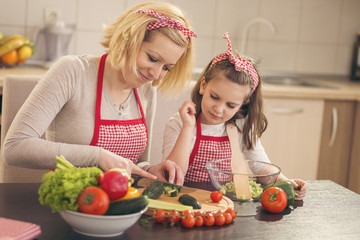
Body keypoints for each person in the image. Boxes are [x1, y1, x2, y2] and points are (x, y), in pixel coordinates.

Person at [3, 1, 197, 185]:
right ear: (129, 39)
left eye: (167, 68)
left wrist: (149, 170)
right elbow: (15, 147)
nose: (156, 74)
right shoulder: (73, 71)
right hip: (70, 204)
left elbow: (134, 164)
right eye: (152, 58)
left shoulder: (146, 88)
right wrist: (97, 156)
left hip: (121, 204)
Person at [162, 32, 307, 199]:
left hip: (225, 203)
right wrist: (188, 127)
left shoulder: (241, 126)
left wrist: (286, 182)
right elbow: (172, 175)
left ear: (243, 104)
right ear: (203, 86)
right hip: (184, 202)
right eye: (214, 97)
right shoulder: (179, 123)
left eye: (231, 105)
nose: (218, 109)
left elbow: (261, 167)